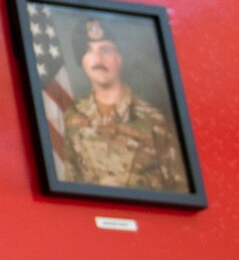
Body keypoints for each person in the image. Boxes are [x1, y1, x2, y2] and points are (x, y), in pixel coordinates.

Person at [59, 18, 188, 191]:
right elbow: (70, 180)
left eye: (105, 49)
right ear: (82, 61)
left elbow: (179, 188)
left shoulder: (154, 119)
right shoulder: (72, 116)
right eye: (89, 51)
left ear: (119, 58)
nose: (98, 58)